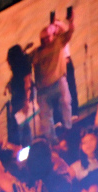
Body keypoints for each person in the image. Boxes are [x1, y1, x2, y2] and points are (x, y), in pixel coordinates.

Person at [32, 12, 74, 143]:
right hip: (43, 89)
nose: (46, 40)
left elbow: (70, 32)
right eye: (43, 38)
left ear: (52, 36)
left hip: (58, 82)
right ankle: (51, 140)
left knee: (66, 102)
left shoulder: (58, 42)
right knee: (46, 116)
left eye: (47, 37)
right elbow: (27, 64)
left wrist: (69, 21)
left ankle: (68, 129)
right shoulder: (37, 52)